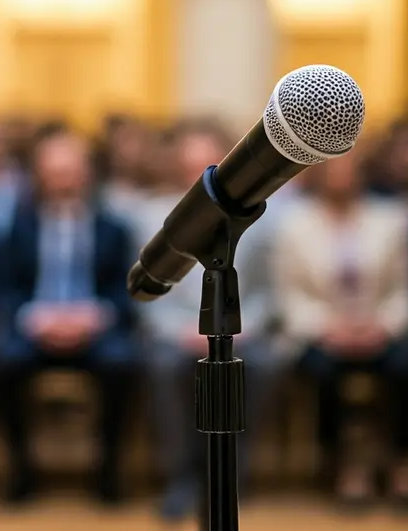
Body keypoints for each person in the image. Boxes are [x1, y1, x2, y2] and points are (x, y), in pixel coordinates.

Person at [136, 123, 281, 522]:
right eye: (188, 165)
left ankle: (233, 472)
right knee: (165, 366)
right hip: (174, 333)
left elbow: (268, 292)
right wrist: (180, 331)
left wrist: (240, 327)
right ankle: (182, 476)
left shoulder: (258, 219)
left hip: (240, 328)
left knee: (265, 365)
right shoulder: (148, 213)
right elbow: (146, 291)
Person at [0, 129, 137, 506]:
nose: (62, 179)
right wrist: (34, 318)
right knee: (3, 361)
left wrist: (95, 316)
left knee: (123, 363)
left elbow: (126, 291)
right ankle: (21, 469)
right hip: (36, 327)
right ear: (39, 175)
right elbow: (3, 289)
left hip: (93, 328)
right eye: (54, 171)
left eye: (70, 170)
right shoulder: (19, 226)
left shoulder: (112, 227)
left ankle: (108, 470)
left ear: (86, 173)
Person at [276, 149, 408, 509]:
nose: (341, 176)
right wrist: (329, 328)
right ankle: (343, 465)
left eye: (349, 168)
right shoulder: (295, 223)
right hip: (323, 332)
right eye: (333, 169)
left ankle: (403, 461)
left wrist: (381, 327)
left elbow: (404, 291)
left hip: (378, 328)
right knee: (325, 372)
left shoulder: (391, 220)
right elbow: (290, 296)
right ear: (319, 173)